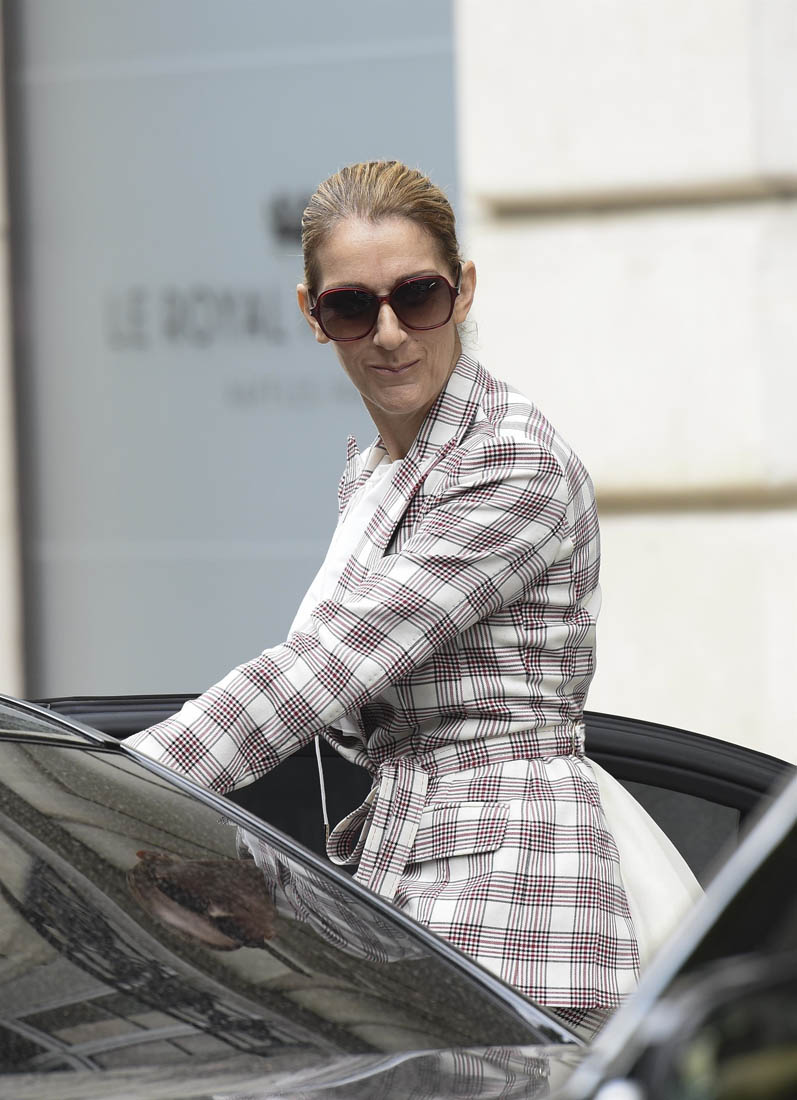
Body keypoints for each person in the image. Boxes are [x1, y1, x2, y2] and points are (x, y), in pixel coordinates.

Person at [124, 159, 699, 1038]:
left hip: (516, 892)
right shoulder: (379, 474)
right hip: (414, 881)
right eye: (352, 307)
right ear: (313, 316)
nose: (389, 334)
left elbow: (329, 667)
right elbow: (363, 721)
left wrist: (108, 783)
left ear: (462, 290)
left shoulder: (509, 458)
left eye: (417, 296)